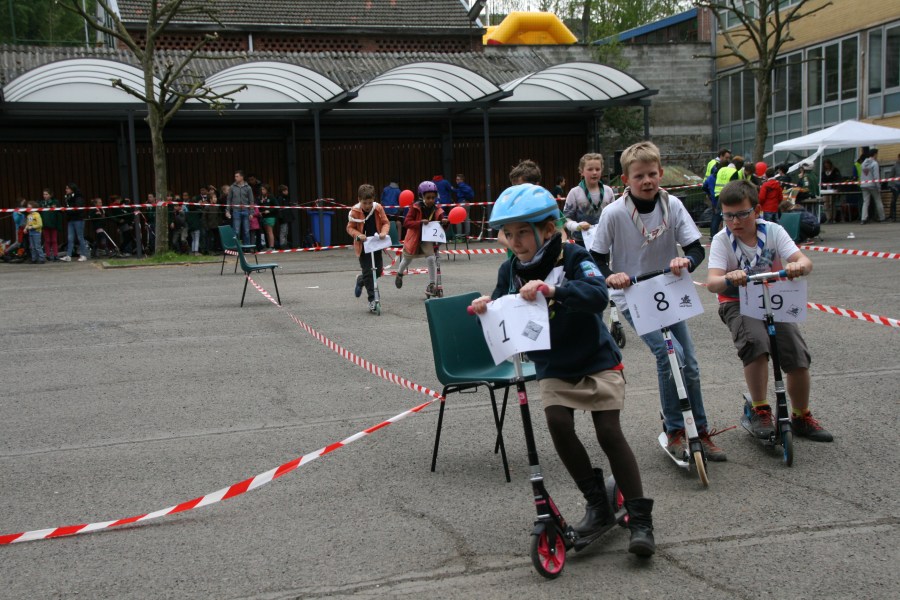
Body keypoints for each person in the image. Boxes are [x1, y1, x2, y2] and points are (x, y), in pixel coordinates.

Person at [470, 183, 655, 556]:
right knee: (558, 423)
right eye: (509, 234)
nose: (515, 241)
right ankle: (597, 502)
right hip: (553, 364)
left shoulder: (572, 256)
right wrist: (485, 309)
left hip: (596, 358)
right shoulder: (510, 270)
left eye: (523, 232)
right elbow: (504, 314)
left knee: (608, 432)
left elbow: (598, 295)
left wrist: (555, 291)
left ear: (547, 229)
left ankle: (640, 519)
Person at [592, 141, 726, 461]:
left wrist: (686, 262)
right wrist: (611, 276)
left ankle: (700, 430)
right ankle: (676, 429)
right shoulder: (614, 213)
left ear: (661, 173)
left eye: (652, 174)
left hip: (669, 289)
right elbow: (595, 257)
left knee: (689, 362)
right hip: (634, 294)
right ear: (626, 179)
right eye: (639, 176)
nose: (647, 181)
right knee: (669, 356)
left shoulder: (672, 205)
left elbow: (695, 248)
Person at [706, 180, 832, 442]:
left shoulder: (773, 231)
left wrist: (798, 266)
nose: (735, 222)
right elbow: (712, 283)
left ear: (757, 210)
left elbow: (804, 261)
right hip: (737, 301)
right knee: (756, 342)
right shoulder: (722, 239)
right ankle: (760, 409)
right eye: (728, 216)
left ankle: (801, 415)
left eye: (742, 214)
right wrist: (729, 277)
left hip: (773, 297)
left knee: (796, 351)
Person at [395, 180, 447, 296]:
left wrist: (445, 222)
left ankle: (432, 284)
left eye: (433, 198)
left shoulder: (437, 209)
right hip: (414, 237)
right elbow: (406, 223)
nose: (431, 200)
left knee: (431, 258)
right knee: (407, 259)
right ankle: (399, 273)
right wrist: (420, 223)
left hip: (427, 239)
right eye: (428, 198)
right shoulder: (415, 207)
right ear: (422, 196)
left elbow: (440, 227)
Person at [347, 184, 390, 313]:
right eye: (365, 203)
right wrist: (358, 235)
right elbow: (350, 228)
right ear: (359, 200)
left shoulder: (378, 208)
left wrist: (384, 232)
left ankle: (361, 280)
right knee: (369, 273)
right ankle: (373, 300)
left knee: (378, 271)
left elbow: (385, 223)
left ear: (374, 200)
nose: (367, 206)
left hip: (376, 244)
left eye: (370, 203)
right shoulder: (355, 211)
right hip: (363, 247)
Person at [563, 153, 615, 246]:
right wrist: (577, 226)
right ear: (581, 172)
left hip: (604, 240)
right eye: (590, 169)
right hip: (580, 241)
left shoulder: (608, 191)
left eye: (597, 169)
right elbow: (565, 219)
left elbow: (614, 216)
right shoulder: (574, 193)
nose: (594, 172)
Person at [711, 155, 745, 237]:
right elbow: (734, 186)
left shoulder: (721, 169)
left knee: (717, 216)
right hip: (727, 195)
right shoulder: (734, 172)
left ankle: (713, 234)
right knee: (727, 215)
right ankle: (726, 233)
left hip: (717, 193)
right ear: (738, 165)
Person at [60, 182, 89, 262]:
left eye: (67, 188)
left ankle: (83, 255)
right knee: (70, 238)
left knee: (80, 237)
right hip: (71, 220)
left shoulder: (78, 197)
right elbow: (69, 208)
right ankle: (68, 255)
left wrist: (67, 211)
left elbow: (78, 209)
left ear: (72, 189)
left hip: (78, 219)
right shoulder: (67, 197)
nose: (66, 190)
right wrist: (65, 210)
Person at [225, 170, 254, 244]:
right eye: (235, 176)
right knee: (236, 231)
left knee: (246, 231)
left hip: (246, 211)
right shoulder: (232, 187)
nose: (235, 178)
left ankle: (247, 248)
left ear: (242, 177)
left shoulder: (248, 187)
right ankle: (236, 247)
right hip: (236, 211)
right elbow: (229, 200)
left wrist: (251, 212)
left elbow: (251, 201)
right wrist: (227, 211)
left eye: (237, 176)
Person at [860, 149, 885, 224]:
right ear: (875, 154)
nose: (877, 156)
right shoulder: (874, 163)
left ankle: (863, 219)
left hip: (864, 185)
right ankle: (882, 218)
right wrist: (878, 187)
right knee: (878, 201)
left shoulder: (863, 164)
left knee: (865, 202)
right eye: (877, 154)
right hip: (873, 185)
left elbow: (862, 175)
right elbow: (876, 176)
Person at [40, 188, 61, 261]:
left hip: (53, 224)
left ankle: (55, 255)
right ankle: (48, 255)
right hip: (45, 224)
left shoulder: (55, 202)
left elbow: (60, 212)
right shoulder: (41, 203)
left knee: (54, 240)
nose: (45, 196)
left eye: (46, 194)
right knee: (47, 240)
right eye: (44, 194)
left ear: (50, 195)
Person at [203, 186, 223, 254]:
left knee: (216, 239)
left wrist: (220, 224)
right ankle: (209, 250)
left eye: (216, 197)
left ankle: (216, 250)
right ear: (210, 200)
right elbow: (204, 218)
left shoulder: (217, 207)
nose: (215, 199)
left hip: (216, 226)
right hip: (209, 226)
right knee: (209, 239)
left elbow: (219, 216)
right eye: (214, 198)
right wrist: (206, 226)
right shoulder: (207, 207)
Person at [277, 184, 298, 249]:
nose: (287, 192)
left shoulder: (286, 198)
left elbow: (288, 205)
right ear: (283, 191)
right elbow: (279, 209)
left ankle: (285, 244)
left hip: (286, 217)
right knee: (283, 231)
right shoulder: (280, 198)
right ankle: (282, 245)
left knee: (286, 231)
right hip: (283, 218)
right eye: (286, 190)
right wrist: (281, 217)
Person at [258, 184, 278, 250]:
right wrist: (260, 212)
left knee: (270, 231)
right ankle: (269, 246)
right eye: (261, 189)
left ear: (267, 190)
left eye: (263, 189)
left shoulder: (271, 197)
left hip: (270, 217)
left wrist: (269, 211)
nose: (262, 191)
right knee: (267, 232)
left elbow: (276, 206)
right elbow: (259, 206)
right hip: (263, 217)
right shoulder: (260, 197)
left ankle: (272, 247)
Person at [890, 153, 900, 222]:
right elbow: (891, 177)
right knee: (893, 201)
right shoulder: (895, 166)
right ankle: (893, 216)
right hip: (897, 185)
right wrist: (892, 186)